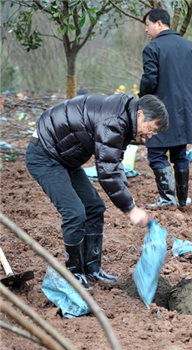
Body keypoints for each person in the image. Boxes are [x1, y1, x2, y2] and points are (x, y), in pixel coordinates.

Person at [25, 94, 169, 291]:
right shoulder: (114, 121)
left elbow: (114, 161)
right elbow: (107, 172)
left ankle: (92, 269)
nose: (149, 136)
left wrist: (128, 197)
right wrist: (130, 208)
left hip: (65, 158)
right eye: (150, 129)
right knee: (74, 212)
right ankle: (73, 273)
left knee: (94, 207)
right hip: (44, 155)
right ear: (140, 114)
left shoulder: (125, 119)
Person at [140, 8, 192, 209]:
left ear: (159, 24)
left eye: (147, 25)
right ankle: (182, 200)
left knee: (156, 154)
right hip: (185, 111)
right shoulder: (191, 46)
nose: (146, 30)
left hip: (160, 111)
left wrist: (142, 100)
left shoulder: (153, 48)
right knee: (180, 154)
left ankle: (167, 198)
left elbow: (149, 80)